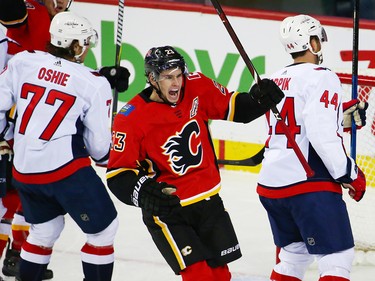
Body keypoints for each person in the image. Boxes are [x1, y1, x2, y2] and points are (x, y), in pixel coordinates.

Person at [106, 45, 284, 281]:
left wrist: (258, 101)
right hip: (170, 209)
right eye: (168, 77)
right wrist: (145, 193)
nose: (176, 83)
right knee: (199, 276)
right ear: (151, 78)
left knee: (220, 275)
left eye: (179, 75)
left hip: (209, 201)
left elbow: (236, 109)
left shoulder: (197, 86)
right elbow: (118, 175)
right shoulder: (130, 118)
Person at [0, 0, 130, 279]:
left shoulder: (24, 61)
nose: (85, 49)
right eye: (83, 44)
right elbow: (99, 150)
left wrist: (5, 136)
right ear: (74, 45)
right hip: (63, 173)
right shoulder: (94, 84)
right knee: (104, 230)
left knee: (44, 230)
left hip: (24, 170)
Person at [256, 14, 367, 281]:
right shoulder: (322, 77)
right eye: (318, 39)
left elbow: (298, 125)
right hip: (307, 184)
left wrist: (338, 116)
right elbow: (321, 136)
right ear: (312, 42)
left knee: (293, 257)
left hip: (271, 185)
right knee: (337, 259)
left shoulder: (274, 79)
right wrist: (349, 174)